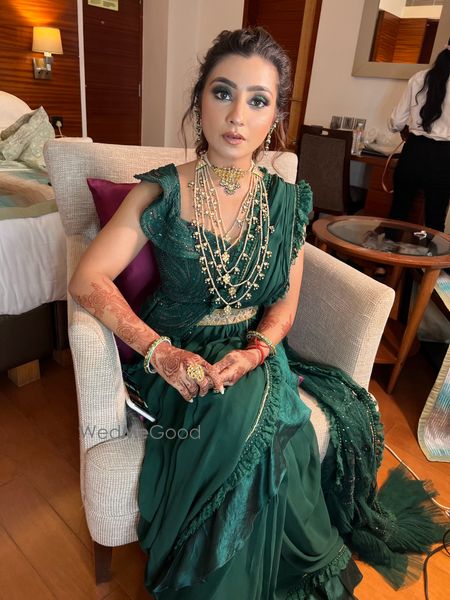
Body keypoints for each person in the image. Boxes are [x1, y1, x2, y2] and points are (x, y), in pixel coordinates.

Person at [69, 28, 445, 599]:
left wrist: (255, 352)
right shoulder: (160, 192)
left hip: (252, 350)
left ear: (275, 118)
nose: (237, 116)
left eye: (258, 100)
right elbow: (87, 278)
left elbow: (284, 305)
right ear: (199, 100)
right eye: (223, 92)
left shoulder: (286, 202)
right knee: (244, 417)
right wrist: (160, 352)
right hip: (175, 355)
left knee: (258, 412)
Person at [389, 40, 450, 232]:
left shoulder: (419, 78)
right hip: (444, 157)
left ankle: (389, 250)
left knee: (398, 212)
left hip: (414, 150)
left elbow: (397, 121)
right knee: (434, 220)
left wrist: (403, 128)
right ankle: (427, 252)